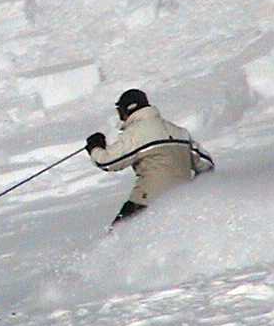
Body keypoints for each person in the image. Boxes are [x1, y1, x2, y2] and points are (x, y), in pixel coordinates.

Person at [86, 89, 214, 227]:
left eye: (120, 112)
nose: (121, 118)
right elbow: (206, 164)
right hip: (182, 200)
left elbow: (107, 161)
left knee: (115, 237)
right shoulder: (179, 131)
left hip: (147, 201)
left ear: (129, 109)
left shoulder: (137, 132)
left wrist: (95, 146)